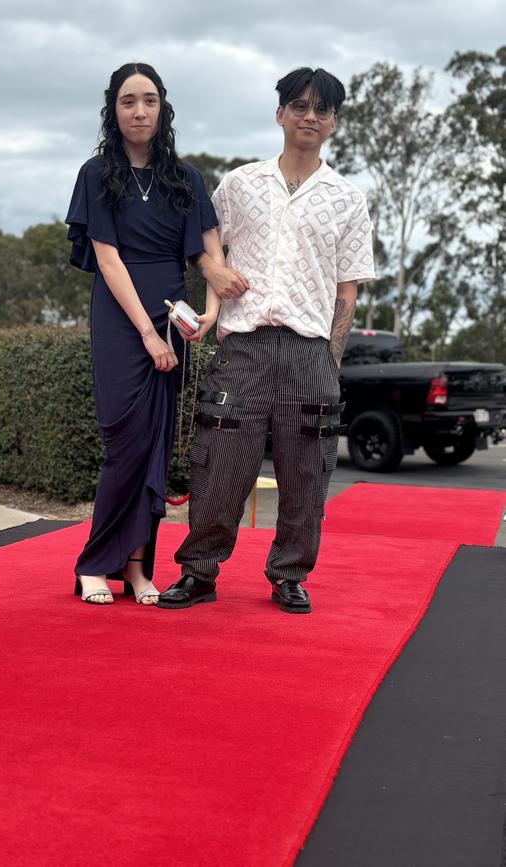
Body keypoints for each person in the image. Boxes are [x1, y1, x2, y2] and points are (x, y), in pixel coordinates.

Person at [158, 67, 375, 613]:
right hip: (243, 346)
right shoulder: (240, 183)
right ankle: (199, 571)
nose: (310, 116)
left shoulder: (347, 199)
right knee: (218, 462)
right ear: (280, 113)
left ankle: (289, 574)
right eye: (299, 105)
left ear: (333, 122)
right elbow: (207, 249)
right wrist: (214, 272)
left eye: (322, 109)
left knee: (307, 472)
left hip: (309, 351)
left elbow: (346, 288)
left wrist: (330, 359)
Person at [65, 62, 220, 605]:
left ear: (163, 107)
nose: (139, 110)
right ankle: (93, 565)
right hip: (120, 318)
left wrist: (212, 312)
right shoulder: (96, 173)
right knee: (123, 444)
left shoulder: (186, 177)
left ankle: (134, 568)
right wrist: (149, 337)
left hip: (172, 314)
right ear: (113, 108)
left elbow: (209, 251)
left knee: (155, 446)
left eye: (149, 100)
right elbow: (107, 261)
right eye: (128, 100)